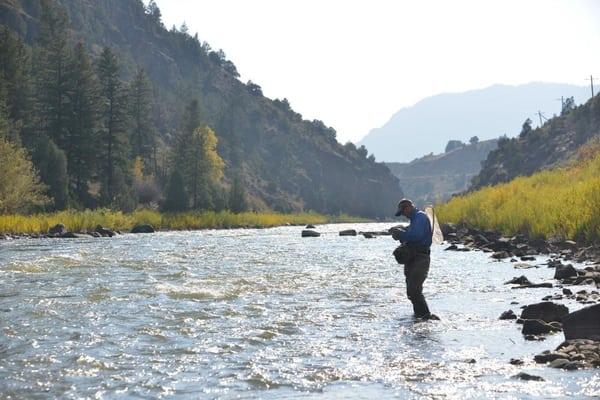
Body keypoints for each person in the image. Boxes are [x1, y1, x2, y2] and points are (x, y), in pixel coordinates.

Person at [392, 198, 439, 320]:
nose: (403, 215)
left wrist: (401, 234)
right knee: (411, 290)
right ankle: (419, 317)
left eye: (403, 212)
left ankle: (425, 316)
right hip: (414, 258)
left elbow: (416, 235)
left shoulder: (420, 217)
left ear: (407, 208)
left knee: (414, 289)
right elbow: (412, 232)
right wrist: (402, 230)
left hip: (421, 259)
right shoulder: (415, 220)